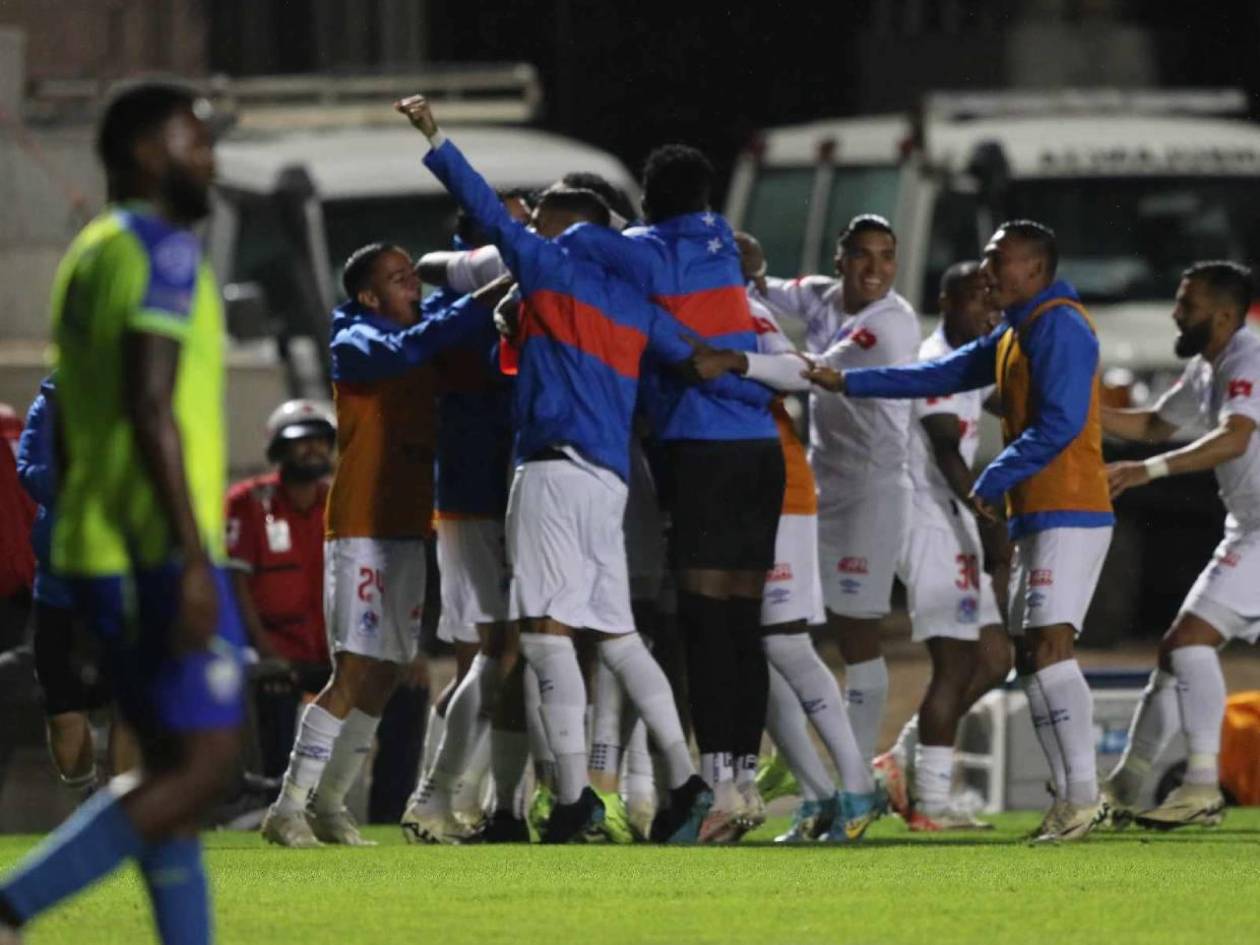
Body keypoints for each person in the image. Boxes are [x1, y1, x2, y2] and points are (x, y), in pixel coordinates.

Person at [400, 92, 768, 842]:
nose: (529, 224)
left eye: (541, 219)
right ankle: (687, 777)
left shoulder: (545, 263)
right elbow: (702, 359)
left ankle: (572, 800)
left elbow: (485, 212)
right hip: (609, 480)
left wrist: (436, 136)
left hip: (549, 468)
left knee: (543, 634)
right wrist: (773, 373)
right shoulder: (634, 304)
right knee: (621, 638)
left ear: (566, 231)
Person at [0, 81, 244, 945]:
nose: (209, 157)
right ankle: (12, 903)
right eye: (196, 140)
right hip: (150, 551)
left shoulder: (93, 249)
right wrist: (187, 556)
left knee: (171, 776)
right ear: (149, 152)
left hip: (97, 548)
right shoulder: (161, 249)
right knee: (208, 762)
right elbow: (149, 404)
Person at [803, 220, 1114, 842]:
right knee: (1028, 656)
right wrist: (849, 380)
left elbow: (1059, 424)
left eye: (998, 260)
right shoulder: (1015, 330)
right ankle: (1070, 798)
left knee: (1048, 648)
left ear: (1035, 269)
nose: (987, 269)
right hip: (1034, 512)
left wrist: (991, 479)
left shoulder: (1061, 326)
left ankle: (1082, 796)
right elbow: (937, 375)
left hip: (1069, 509)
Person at [540, 142, 785, 841]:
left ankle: (717, 788)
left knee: (704, 621)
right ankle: (740, 779)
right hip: (760, 448)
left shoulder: (644, 251)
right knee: (741, 621)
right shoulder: (720, 241)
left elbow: (575, 238)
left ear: (648, 201)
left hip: (703, 446)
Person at [259, 244, 507, 848]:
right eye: (399, 281)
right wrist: (484, 295)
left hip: (403, 529)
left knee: (388, 672)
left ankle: (330, 803)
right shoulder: (356, 338)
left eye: (411, 278)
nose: (412, 289)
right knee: (355, 669)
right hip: (362, 529)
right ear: (368, 296)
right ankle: (288, 805)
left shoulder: (416, 342)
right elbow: (411, 348)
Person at [749, 216, 920, 771]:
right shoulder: (820, 294)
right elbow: (762, 288)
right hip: (821, 485)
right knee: (782, 626)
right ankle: (795, 765)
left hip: (873, 491)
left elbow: (806, 375)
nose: (877, 269)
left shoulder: (888, 326)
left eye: (887, 256)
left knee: (856, 633)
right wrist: (744, 271)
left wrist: (738, 356)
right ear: (840, 259)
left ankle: (858, 773)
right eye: (864, 255)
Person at [1099, 260, 1260, 829]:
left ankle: (1200, 785)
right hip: (1248, 529)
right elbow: (1152, 425)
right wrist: (1073, 412)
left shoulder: (1248, 358)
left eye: (1185, 304)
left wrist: (1149, 473)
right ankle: (1125, 784)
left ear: (1222, 315)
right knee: (1177, 653)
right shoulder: (1207, 366)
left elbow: (1235, 439)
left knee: (1189, 646)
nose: (1175, 311)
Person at [872, 262, 1013, 830]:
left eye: (993, 299)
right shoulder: (936, 363)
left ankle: (902, 760)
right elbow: (945, 449)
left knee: (996, 659)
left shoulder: (972, 360)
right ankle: (930, 800)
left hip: (951, 517)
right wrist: (987, 510)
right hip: (929, 521)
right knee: (955, 661)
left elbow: (1002, 399)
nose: (988, 309)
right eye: (976, 298)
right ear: (946, 300)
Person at [17, 376, 138, 797]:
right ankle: (87, 798)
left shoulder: (146, 393)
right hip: (61, 584)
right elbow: (31, 473)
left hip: (125, 581)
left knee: (130, 701)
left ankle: (119, 815)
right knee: (63, 708)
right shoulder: (52, 403)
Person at [226, 399, 336, 776]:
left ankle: (389, 809)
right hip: (275, 653)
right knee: (273, 685)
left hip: (335, 657)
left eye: (321, 440)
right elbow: (236, 584)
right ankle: (271, 794)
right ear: (279, 449)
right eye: (302, 441)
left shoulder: (340, 502)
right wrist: (267, 652)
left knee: (407, 686)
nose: (314, 449)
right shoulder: (248, 503)